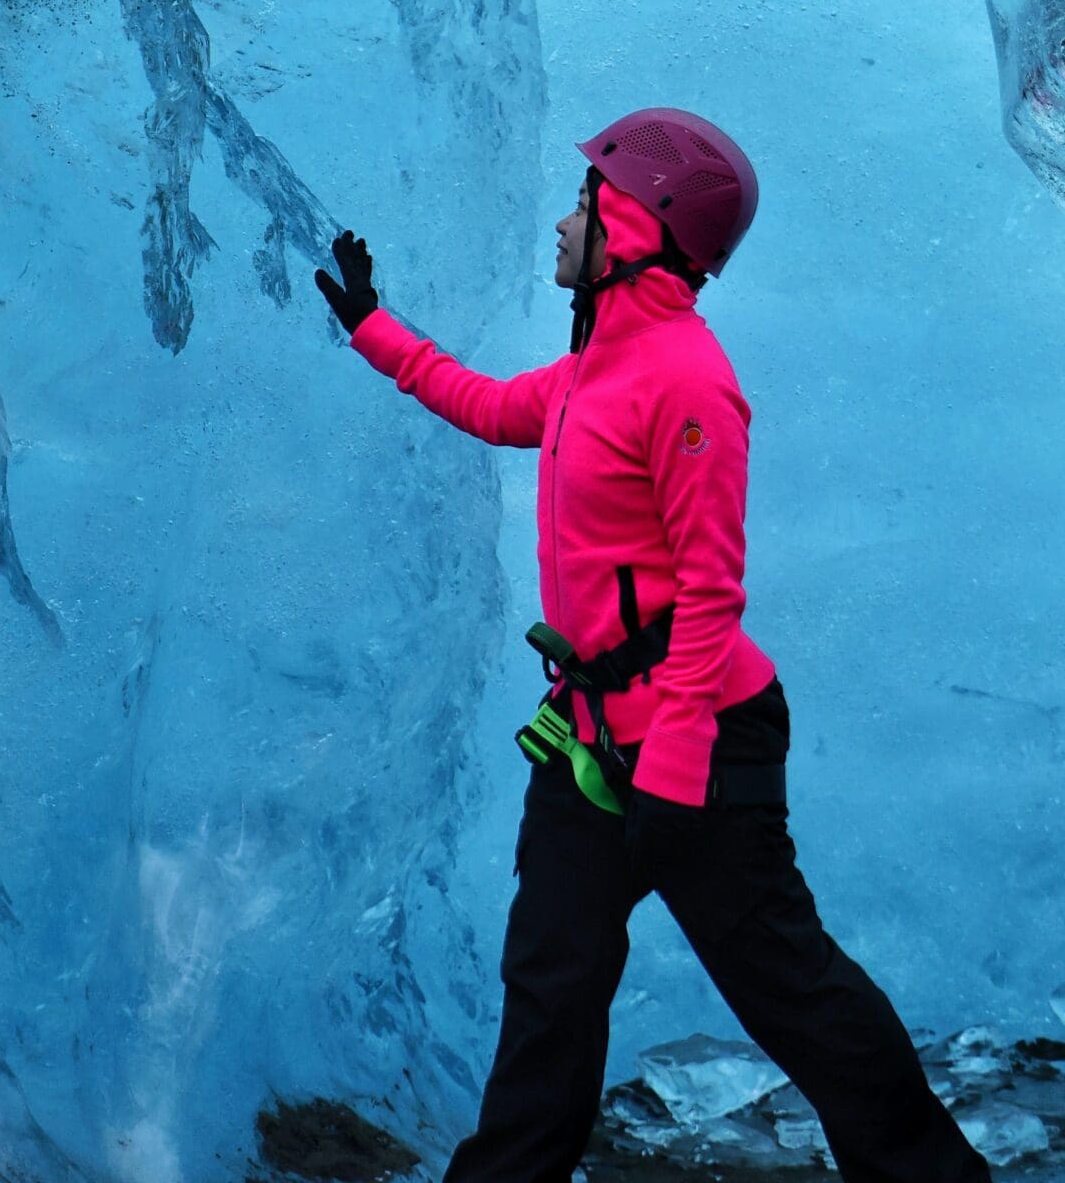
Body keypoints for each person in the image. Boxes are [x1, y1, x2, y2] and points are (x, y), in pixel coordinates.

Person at [316, 108, 990, 1183]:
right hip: (591, 746)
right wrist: (372, 329)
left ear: (635, 222)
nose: (561, 219)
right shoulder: (593, 371)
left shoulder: (687, 381)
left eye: (582, 199)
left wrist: (671, 771)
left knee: (788, 990)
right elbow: (491, 408)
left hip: (702, 745)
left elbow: (712, 592)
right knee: (550, 995)